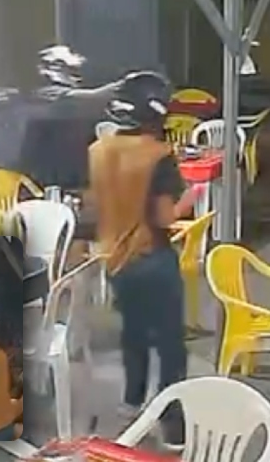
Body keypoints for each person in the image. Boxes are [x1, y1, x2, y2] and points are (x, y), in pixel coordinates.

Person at [89, 71, 201, 445]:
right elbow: (166, 217)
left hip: (115, 260)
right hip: (153, 258)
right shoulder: (158, 157)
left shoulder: (99, 149)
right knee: (170, 346)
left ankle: (132, 401)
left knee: (133, 333)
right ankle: (172, 426)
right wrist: (194, 194)